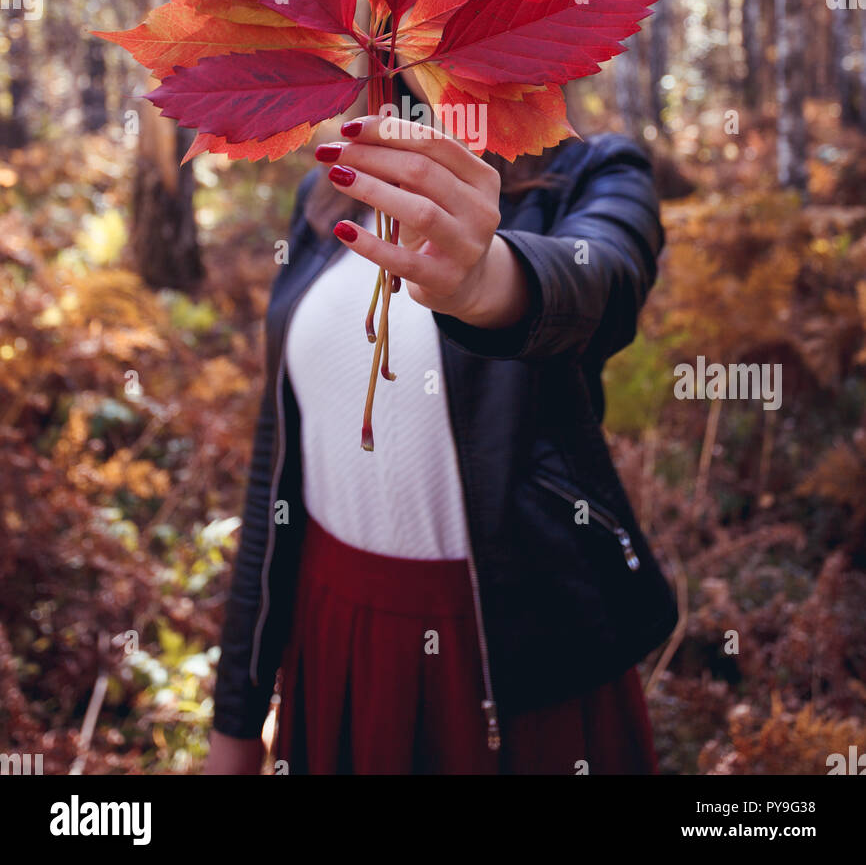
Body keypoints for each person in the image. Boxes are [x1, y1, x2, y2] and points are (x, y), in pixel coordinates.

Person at [205, 69, 678, 775]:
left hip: (518, 639)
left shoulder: (593, 171)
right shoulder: (329, 193)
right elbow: (272, 475)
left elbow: (604, 280)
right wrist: (237, 721)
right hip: (336, 631)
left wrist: (485, 283)